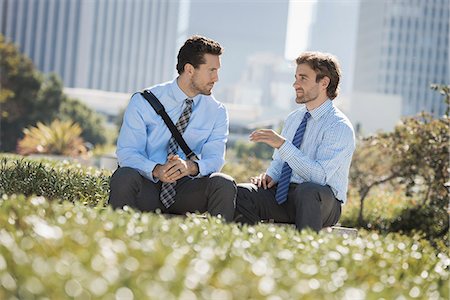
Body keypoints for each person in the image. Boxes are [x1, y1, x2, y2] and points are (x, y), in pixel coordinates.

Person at [109, 35, 236, 221]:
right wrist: (157, 169)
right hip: (148, 184)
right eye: (211, 70)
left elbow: (215, 158)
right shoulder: (143, 101)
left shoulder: (217, 111)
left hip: (187, 188)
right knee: (124, 176)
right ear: (189, 70)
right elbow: (127, 152)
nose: (216, 78)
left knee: (223, 184)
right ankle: (114, 242)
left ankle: (215, 248)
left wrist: (190, 167)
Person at [234, 51, 355, 232]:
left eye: (303, 78)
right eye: (296, 77)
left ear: (324, 83)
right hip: (286, 196)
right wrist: (270, 177)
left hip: (323, 202)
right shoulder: (293, 119)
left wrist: (283, 145)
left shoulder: (339, 126)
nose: (295, 84)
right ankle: (253, 251)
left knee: (308, 191)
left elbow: (319, 177)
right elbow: (279, 162)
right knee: (243, 193)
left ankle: (303, 253)